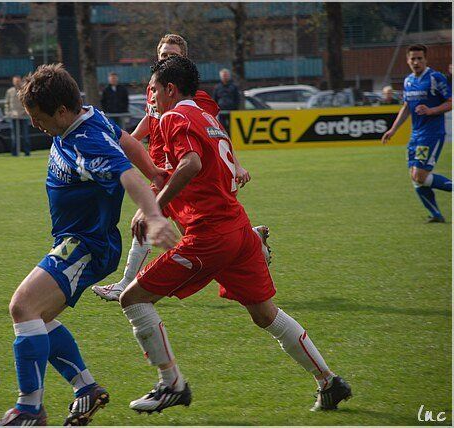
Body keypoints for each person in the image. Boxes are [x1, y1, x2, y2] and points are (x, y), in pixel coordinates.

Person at [119, 55, 352, 415]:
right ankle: (329, 382)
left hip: (209, 236)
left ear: (171, 89)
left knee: (133, 299)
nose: (152, 98)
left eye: (154, 90)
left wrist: (154, 208)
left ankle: (171, 385)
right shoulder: (207, 118)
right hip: (237, 229)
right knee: (265, 314)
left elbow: (191, 164)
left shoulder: (174, 117)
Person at [0, 63, 177, 426]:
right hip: (76, 240)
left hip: (86, 244)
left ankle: (29, 410)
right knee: (39, 320)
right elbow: (127, 141)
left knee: (23, 308)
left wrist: (154, 215)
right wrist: (155, 172)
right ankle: (86, 389)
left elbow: (127, 175)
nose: (35, 125)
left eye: (39, 117)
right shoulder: (88, 115)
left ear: (62, 111)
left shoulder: (86, 141)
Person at [92, 34, 270, 303]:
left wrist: (236, 163)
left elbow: (215, 133)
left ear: (184, 59)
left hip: (174, 169)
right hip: (159, 164)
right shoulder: (156, 89)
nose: (167, 58)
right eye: (163, 55)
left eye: (172, 55)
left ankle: (126, 283)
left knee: (150, 217)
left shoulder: (193, 97)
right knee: (193, 234)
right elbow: (150, 119)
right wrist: (131, 140)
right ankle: (251, 243)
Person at [382, 44, 452, 223]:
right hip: (416, 135)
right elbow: (406, 107)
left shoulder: (435, 77)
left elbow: (450, 102)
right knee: (415, 177)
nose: (416, 62)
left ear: (425, 59)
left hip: (432, 134)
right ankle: (435, 214)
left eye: (420, 58)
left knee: (419, 176)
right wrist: (393, 129)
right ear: (407, 60)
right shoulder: (408, 81)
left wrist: (431, 110)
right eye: (413, 58)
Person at [5, 75, 31, 156]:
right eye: (15, 81)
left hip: (23, 116)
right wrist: (8, 113)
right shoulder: (10, 91)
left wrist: (26, 112)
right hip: (14, 116)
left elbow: (28, 102)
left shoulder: (24, 90)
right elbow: (7, 104)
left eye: (18, 81)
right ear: (13, 82)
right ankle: (14, 153)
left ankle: (27, 152)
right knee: (14, 136)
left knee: (25, 135)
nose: (17, 83)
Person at [212, 68, 241, 134]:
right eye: (223, 75)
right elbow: (214, 99)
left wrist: (236, 108)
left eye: (226, 75)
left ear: (229, 76)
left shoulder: (234, 86)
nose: (225, 77)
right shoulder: (217, 87)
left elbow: (237, 98)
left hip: (232, 111)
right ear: (221, 77)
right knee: (222, 128)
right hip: (221, 111)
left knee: (233, 128)